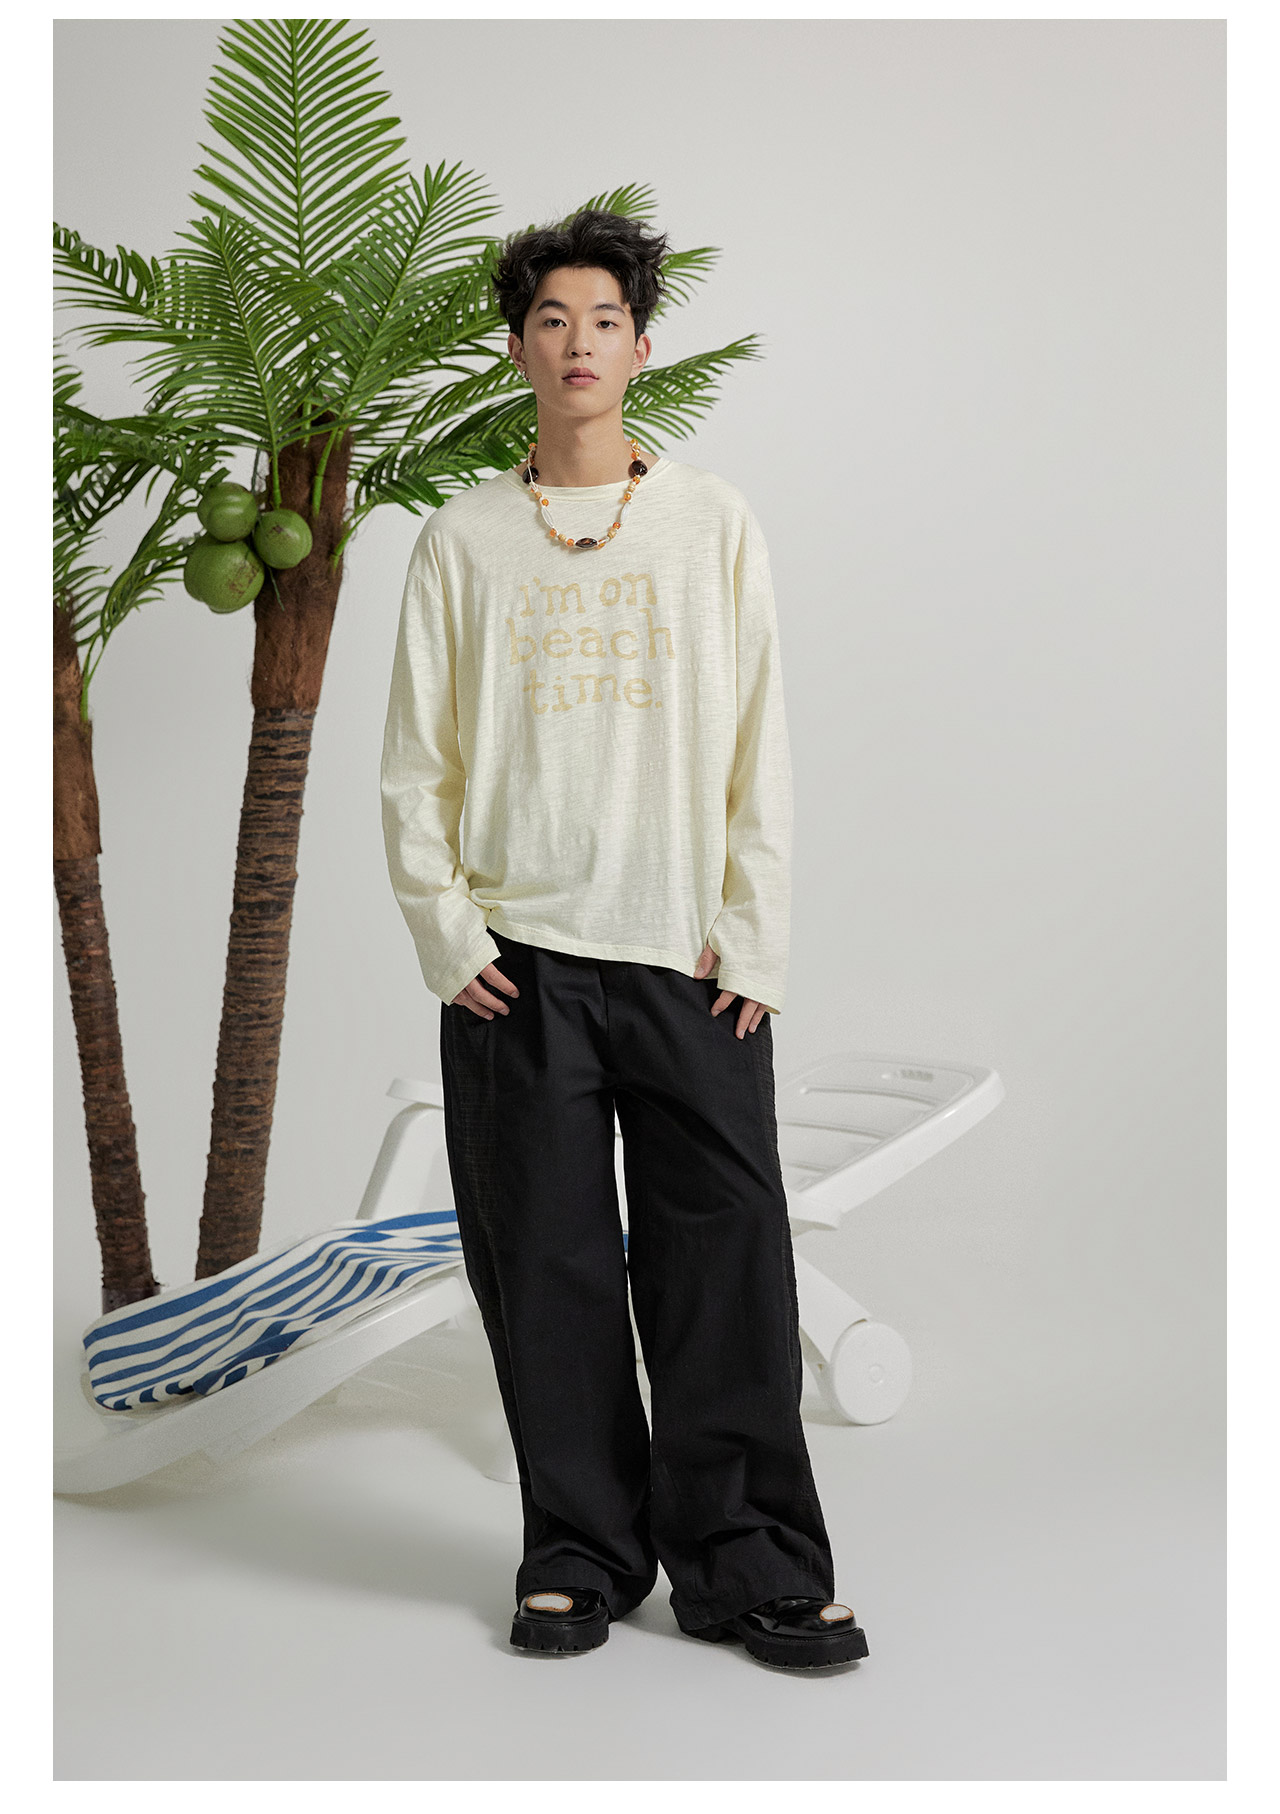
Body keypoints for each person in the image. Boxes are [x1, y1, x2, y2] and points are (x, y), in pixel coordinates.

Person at [380, 208, 868, 1671]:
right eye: (552, 320)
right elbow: (417, 761)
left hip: (691, 962)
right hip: (515, 965)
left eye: (603, 320)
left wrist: (755, 936)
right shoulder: (462, 538)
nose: (578, 342)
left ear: (641, 348)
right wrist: (444, 929)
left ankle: (752, 1563)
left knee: (727, 1264)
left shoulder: (712, 523)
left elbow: (761, 739)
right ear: (517, 348)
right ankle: (579, 1553)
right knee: (548, 1269)